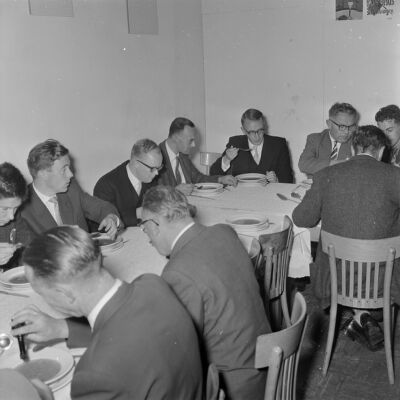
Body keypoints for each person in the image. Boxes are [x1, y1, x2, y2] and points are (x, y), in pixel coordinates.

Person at [13, 226, 204, 400]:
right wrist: (61, 328)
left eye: (40, 292)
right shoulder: (152, 284)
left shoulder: (93, 375)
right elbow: (131, 333)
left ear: (65, 294)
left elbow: (117, 349)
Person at [140, 185, 271, 400]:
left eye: (145, 229)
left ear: (155, 224)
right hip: (265, 359)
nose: (148, 239)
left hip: (236, 385)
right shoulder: (224, 231)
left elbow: (180, 353)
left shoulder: (176, 274)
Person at [293, 125, 400, 350]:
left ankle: (358, 316)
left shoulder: (325, 175)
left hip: (335, 280)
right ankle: (363, 315)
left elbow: (301, 218)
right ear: (382, 151)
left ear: (352, 149)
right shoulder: (396, 176)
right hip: (385, 281)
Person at [21, 139, 120, 238]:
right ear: (43, 173)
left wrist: (112, 218)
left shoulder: (71, 188)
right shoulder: (21, 209)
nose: (71, 174)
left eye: (69, 168)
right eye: (64, 169)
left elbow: (101, 208)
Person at [157, 117, 237, 196]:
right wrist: (174, 191)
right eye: (191, 140)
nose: (193, 145)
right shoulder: (156, 158)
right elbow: (151, 194)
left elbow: (198, 178)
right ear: (176, 138)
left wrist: (220, 179)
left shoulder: (182, 155)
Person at [210, 108, 293, 183]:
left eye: (260, 130)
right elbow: (213, 174)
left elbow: (289, 179)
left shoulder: (279, 144)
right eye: (252, 132)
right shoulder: (235, 143)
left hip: (269, 193)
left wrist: (277, 181)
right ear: (243, 130)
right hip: (241, 193)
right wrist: (226, 159)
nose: (257, 136)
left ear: (264, 126)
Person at [94, 139, 162, 227]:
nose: (157, 173)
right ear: (136, 163)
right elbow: (105, 223)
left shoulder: (150, 179)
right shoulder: (105, 186)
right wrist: (137, 214)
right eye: (152, 169)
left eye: (159, 168)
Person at [298, 102, 358, 177]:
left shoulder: (357, 141)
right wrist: (338, 163)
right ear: (329, 124)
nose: (347, 132)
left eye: (351, 127)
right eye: (342, 127)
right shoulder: (315, 139)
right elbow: (304, 164)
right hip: (318, 183)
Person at [0, 162, 32, 270]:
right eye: (4, 209)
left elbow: (26, 239)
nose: (11, 217)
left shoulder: (15, 217)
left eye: (15, 208)